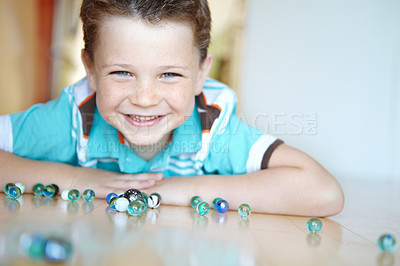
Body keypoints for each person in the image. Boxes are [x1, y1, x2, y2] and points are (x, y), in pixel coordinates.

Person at [0, 0, 344, 216]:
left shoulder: (214, 123)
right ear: (90, 69)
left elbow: (322, 192)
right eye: (122, 72)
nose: (145, 98)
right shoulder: (75, 116)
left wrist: (172, 190)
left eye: (170, 74)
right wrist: (77, 177)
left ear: (201, 75)